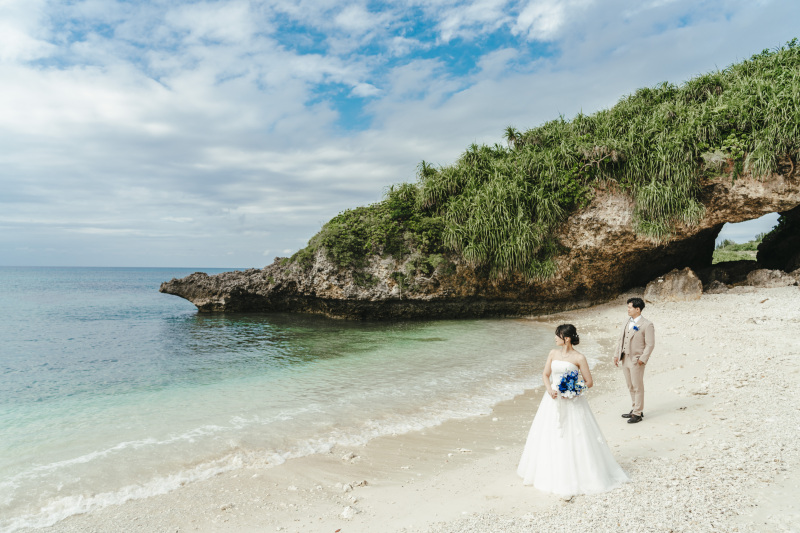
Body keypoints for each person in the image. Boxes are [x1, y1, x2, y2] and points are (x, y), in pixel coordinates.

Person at [517, 324, 629, 497]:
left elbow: (589, 382)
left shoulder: (579, 357)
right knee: (550, 434)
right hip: (552, 400)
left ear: (566, 338)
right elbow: (545, 375)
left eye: (558, 335)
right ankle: (550, 473)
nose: (555, 338)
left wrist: (573, 390)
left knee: (575, 435)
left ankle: (580, 473)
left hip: (572, 401)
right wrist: (550, 389)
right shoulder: (553, 353)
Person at [613, 297, 655, 424]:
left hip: (636, 360)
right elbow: (621, 339)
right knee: (630, 385)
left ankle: (638, 413)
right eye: (628, 307)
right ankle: (635, 408)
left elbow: (650, 344)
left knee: (637, 386)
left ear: (638, 309)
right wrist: (616, 355)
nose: (628, 309)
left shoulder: (647, 324)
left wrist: (642, 359)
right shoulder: (626, 321)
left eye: (630, 307)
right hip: (624, 357)